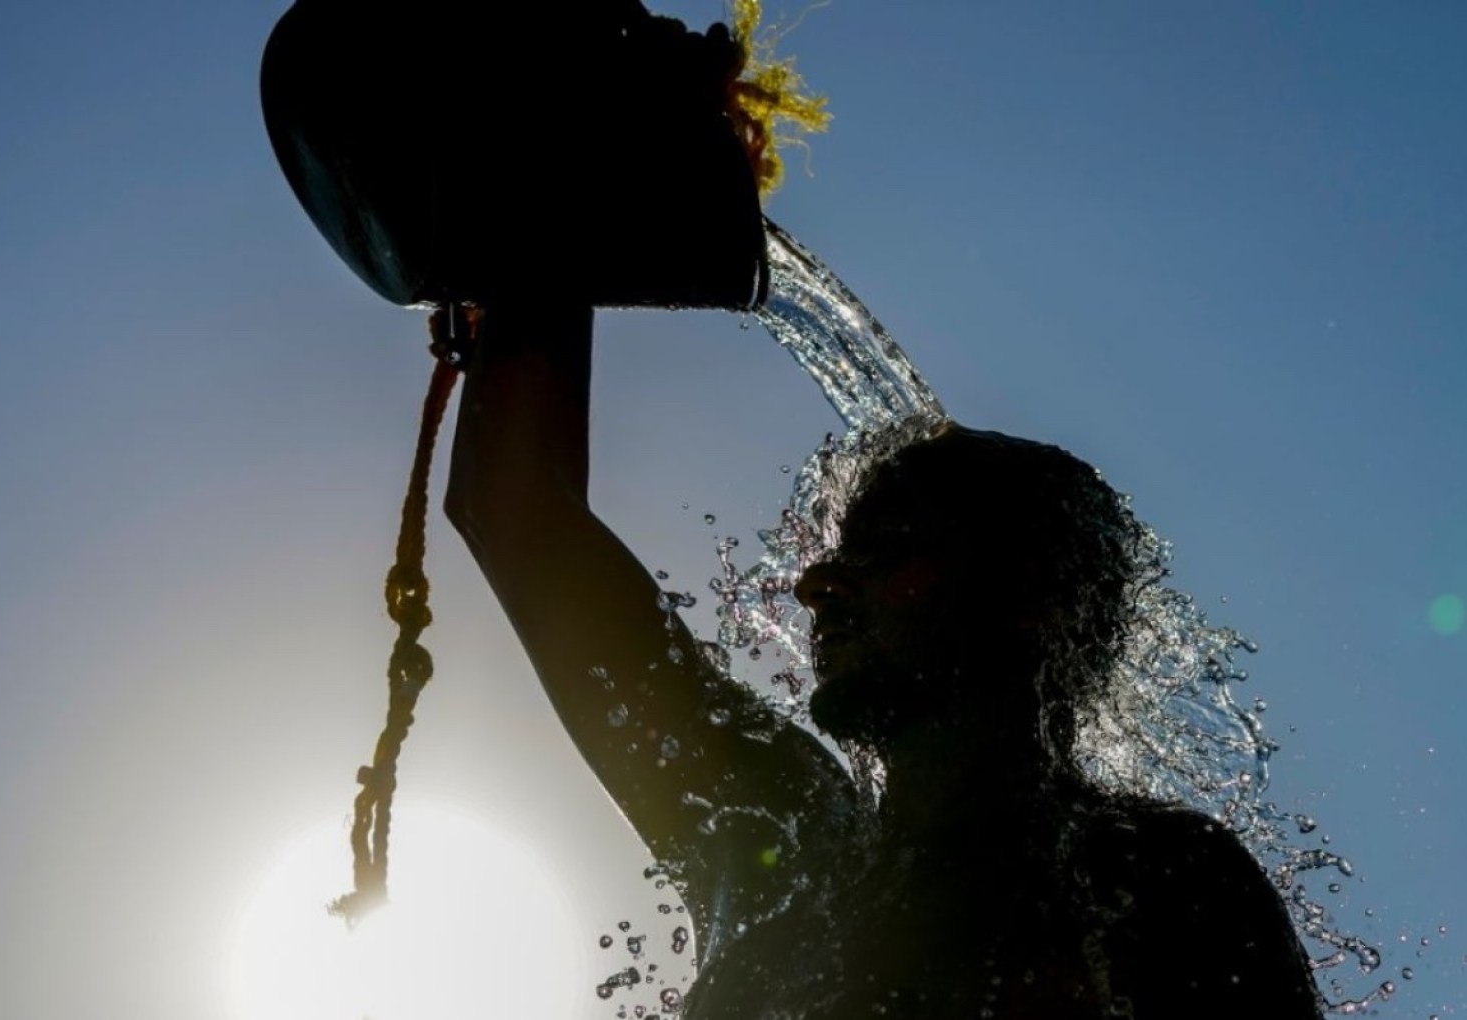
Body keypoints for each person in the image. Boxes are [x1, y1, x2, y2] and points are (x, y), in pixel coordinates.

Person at [442, 304, 1324, 1018]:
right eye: (833, 557)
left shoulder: (1153, 879)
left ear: (1034, 598)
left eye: (892, 546)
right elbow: (517, 513)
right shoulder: (777, 833)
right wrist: (539, 243)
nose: (822, 586)